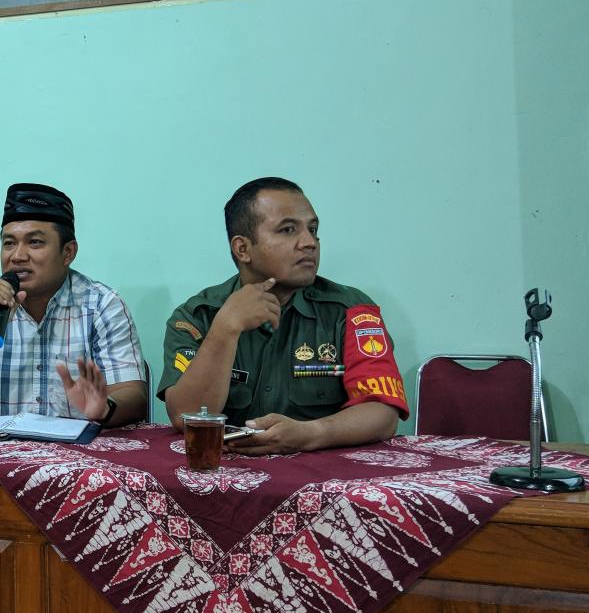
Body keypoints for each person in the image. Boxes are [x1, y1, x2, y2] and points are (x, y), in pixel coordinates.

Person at [160, 177, 408, 454]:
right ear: (243, 249)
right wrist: (225, 329)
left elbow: (383, 413)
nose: (309, 243)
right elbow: (185, 416)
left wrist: (310, 434)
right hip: (226, 469)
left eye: (313, 230)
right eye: (288, 230)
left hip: (324, 471)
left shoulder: (349, 310)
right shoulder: (198, 316)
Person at [0, 182, 148, 427]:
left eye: (34, 242)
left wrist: (104, 408)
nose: (17, 256)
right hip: (2, 446)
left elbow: (134, 395)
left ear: (68, 252)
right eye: (9, 243)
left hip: (78, 447)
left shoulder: (102, 305)